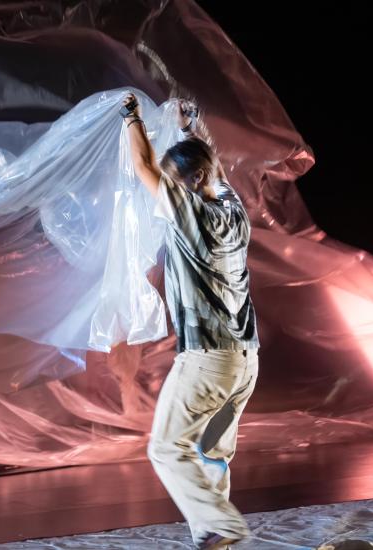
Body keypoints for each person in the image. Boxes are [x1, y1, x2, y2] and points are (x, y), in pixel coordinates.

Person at [120, 93, 260, 549]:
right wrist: (189, 128)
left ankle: (223, 526)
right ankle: (212, 534)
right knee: (211, 453)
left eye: (173, 180)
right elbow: (213, 168)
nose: (166, 187)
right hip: (245, 362)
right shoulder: (234, 213)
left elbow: (143, 166)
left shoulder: (189, 212)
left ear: (189, 181)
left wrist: (131, 117)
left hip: (207, 360)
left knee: (166, 447)